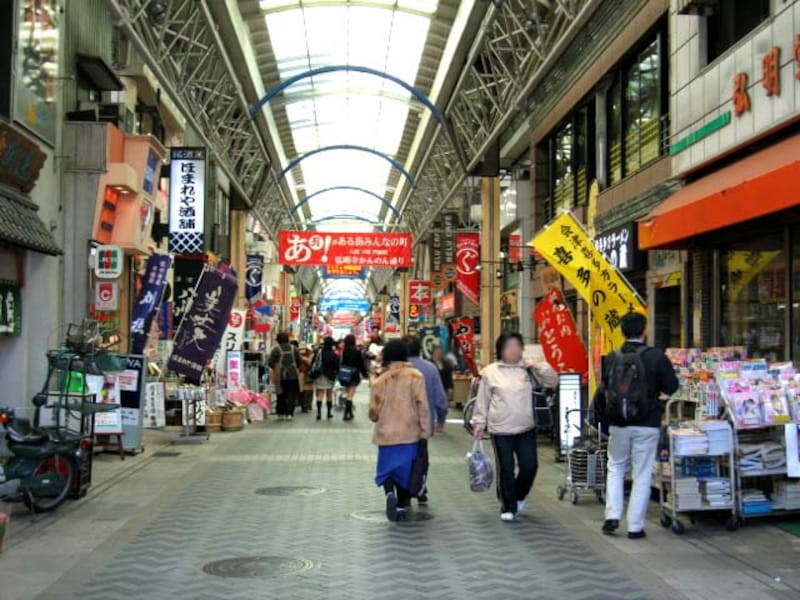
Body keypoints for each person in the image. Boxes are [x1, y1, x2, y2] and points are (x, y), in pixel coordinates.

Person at [598, 312, 679, 539]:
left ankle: (611, 515)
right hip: (647, 423)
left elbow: (605, 388)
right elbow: (672, 386)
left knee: (615, 468)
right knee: (642, 474)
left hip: (618, 422)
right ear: (644, 331)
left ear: (622, 331)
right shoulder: (656, 357)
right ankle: (635, 527)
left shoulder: (612, 357)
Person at [472, 332, 558, 522]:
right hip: (500, 429)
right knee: (506, 468)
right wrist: (479, 423)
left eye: (517, 346)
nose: (513, 350)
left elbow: (553, 380)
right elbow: (482, 400)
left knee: (530, 467)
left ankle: (518, 495)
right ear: (500, 350)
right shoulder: (490, 372)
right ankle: (508, 505)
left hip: (526, 427)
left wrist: (537, 365)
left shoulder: (528, 369)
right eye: (508, 346)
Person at [369, 340, 431, 522]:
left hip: (386, 434)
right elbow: (422, 405)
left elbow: (373, 412)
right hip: (408, 433)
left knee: (387, 469)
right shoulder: (415, 376)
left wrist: (376, 417)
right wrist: (425, 430)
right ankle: (402, 506)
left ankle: (389, 493)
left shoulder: (381, 380)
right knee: (406, 472)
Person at [404, 335, 447, 504]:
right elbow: (439, 396)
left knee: (404, 456)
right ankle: (420, 487)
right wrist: (441, 417)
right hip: (423, 423)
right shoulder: (430, 368)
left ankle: (405, 490)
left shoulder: (395, 369)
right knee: (422, 456)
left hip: (400, 423)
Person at [268, 332, 301, 421]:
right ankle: (290, 413)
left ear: (278, 340)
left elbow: (270, 363)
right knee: (291, 395)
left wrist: (276, 368)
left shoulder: (275, 350)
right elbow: (299, 361)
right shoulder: (294, 349)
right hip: (293, 375)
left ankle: (281, 413)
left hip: (279, 376)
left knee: (280, 394)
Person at [340, 334, 369, 421]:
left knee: (348, 393)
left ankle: (350, 413)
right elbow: (360, 363)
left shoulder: (344, 351)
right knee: (350, 395)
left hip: (345, 374)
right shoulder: (357, 351)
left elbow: (342, 363)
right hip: (354, 374)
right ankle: (346, 413)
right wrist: (364, 374)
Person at [312, 336, 340, 421]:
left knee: (320, 395)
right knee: (329, 395)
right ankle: (328, 413)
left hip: (319, 375)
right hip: (330, 376)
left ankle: (319, 413)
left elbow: (313, 362)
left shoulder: (319, 352)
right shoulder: (333, 354)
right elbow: (336, 366)